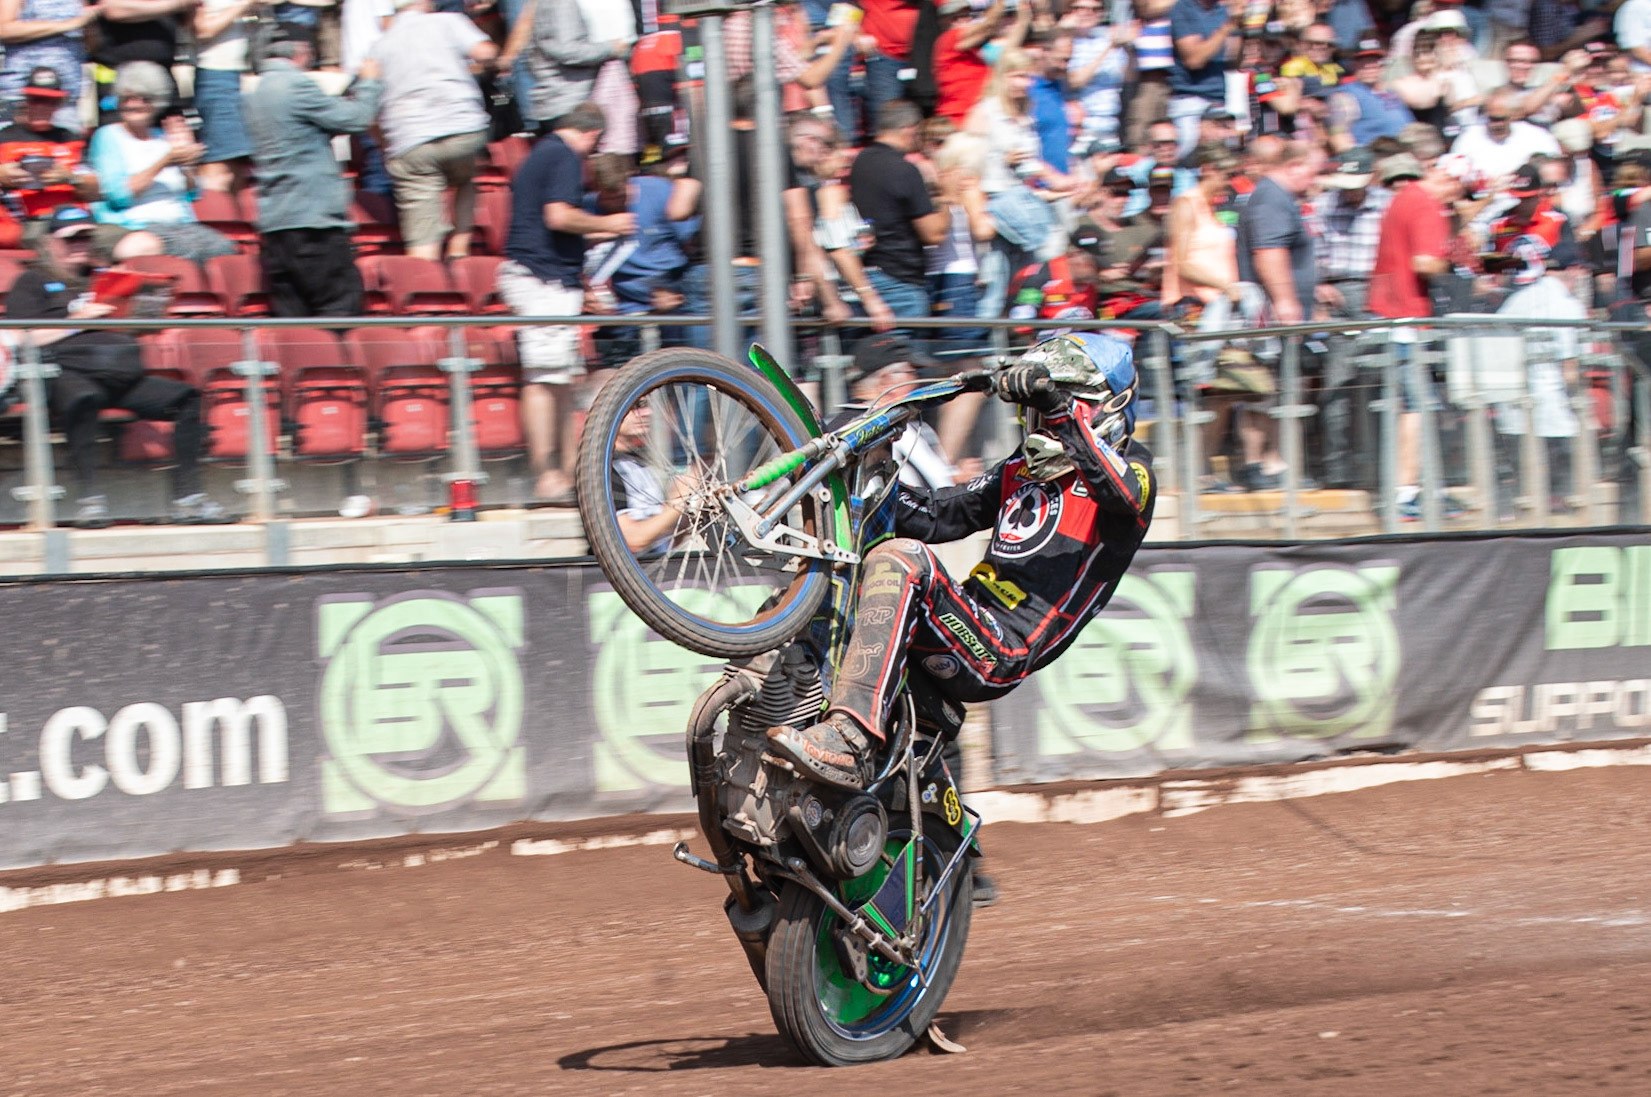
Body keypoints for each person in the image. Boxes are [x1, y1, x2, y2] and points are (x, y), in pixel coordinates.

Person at [766, 332, 1155, 791]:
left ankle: (849, 739)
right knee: (822, 587)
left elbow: (1121, 492)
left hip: (1004, 646)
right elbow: (938, 517)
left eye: (1051, 411)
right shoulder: (1019, 469)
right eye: (1034, 413)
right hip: (957, 621)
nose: (1041, 426)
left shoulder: (1136, 472)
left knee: (902, 560)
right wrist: (871, 469)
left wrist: (1057, 408)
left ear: (1098, 408)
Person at [7, 205, 225, 528]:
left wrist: (146, 314)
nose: (80, 245)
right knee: (84, 399)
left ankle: (188, 497)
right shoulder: (33, 280)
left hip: (120, 374)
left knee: (187, 398)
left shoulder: (107, 277)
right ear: (51, 242)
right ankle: (89, 499)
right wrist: (78, 320)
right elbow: (19, 338)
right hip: (66, 372)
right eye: (71, 240)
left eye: (86, 238)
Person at [497, 101, 630, 505]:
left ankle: (566, 471)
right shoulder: (564, 156)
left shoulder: (545, 154)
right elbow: (558, 216)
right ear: (593, 134)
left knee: (558, 381)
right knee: (543, 380)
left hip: (548, 278)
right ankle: (547, 475)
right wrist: (609, 224)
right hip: (541, 281)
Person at [243, 35, 384, 317]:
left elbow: (305, 131)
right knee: (340, 308)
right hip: (312, 221)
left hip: (277, 223)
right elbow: (357, 119)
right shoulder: (297, 85)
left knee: (295, 324)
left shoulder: (256, 94)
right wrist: (369, 82)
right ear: (302, 51)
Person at [368, 0, 498, 262]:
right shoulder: (447, 21)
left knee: (421, 241)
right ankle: (459, 250)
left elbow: (369, 115)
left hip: (410, 141)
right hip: (462, 130)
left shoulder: (379, 47)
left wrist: (385, 147)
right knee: (465, 180)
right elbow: (485, 52)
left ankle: (425, 276)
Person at [86, 61, 236, 265]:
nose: (133, 104)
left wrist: (186, 164)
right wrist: (165, 161)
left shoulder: (164, 137)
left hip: (180, 224)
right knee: (152, 247)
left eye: (144, 98)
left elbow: (193, 193)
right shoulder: (108, 136)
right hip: (135, 225)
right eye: (127, 98)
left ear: (157, 102)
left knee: (225, 250)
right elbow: (119, 195)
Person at [850, 98, 950, 330]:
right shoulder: (905, 169)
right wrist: (947, 196)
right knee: (906, 359)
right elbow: (933, 234)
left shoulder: (861, 163)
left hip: (871, 274)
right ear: (910, 129)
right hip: (901, 281)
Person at [0, 67, 99, 223]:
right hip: (26, 222)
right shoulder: (4, 138)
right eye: (36, 100)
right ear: (26, 101)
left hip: (74, 220)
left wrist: (70, 178)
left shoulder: (72, 138)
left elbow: (96, 191)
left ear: (59, 104)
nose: (41, 107)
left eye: (49, 102)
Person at [0, 0, 96, 131]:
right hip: (24, 98)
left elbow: (89, 39)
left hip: (66, 97)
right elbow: (5, 29)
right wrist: (67, 25)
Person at [192, 0, 257, 193]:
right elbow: (203, 30)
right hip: (216, 75)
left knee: (238, 162)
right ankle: (212, 218)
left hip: (242, 77)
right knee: (220, 164)